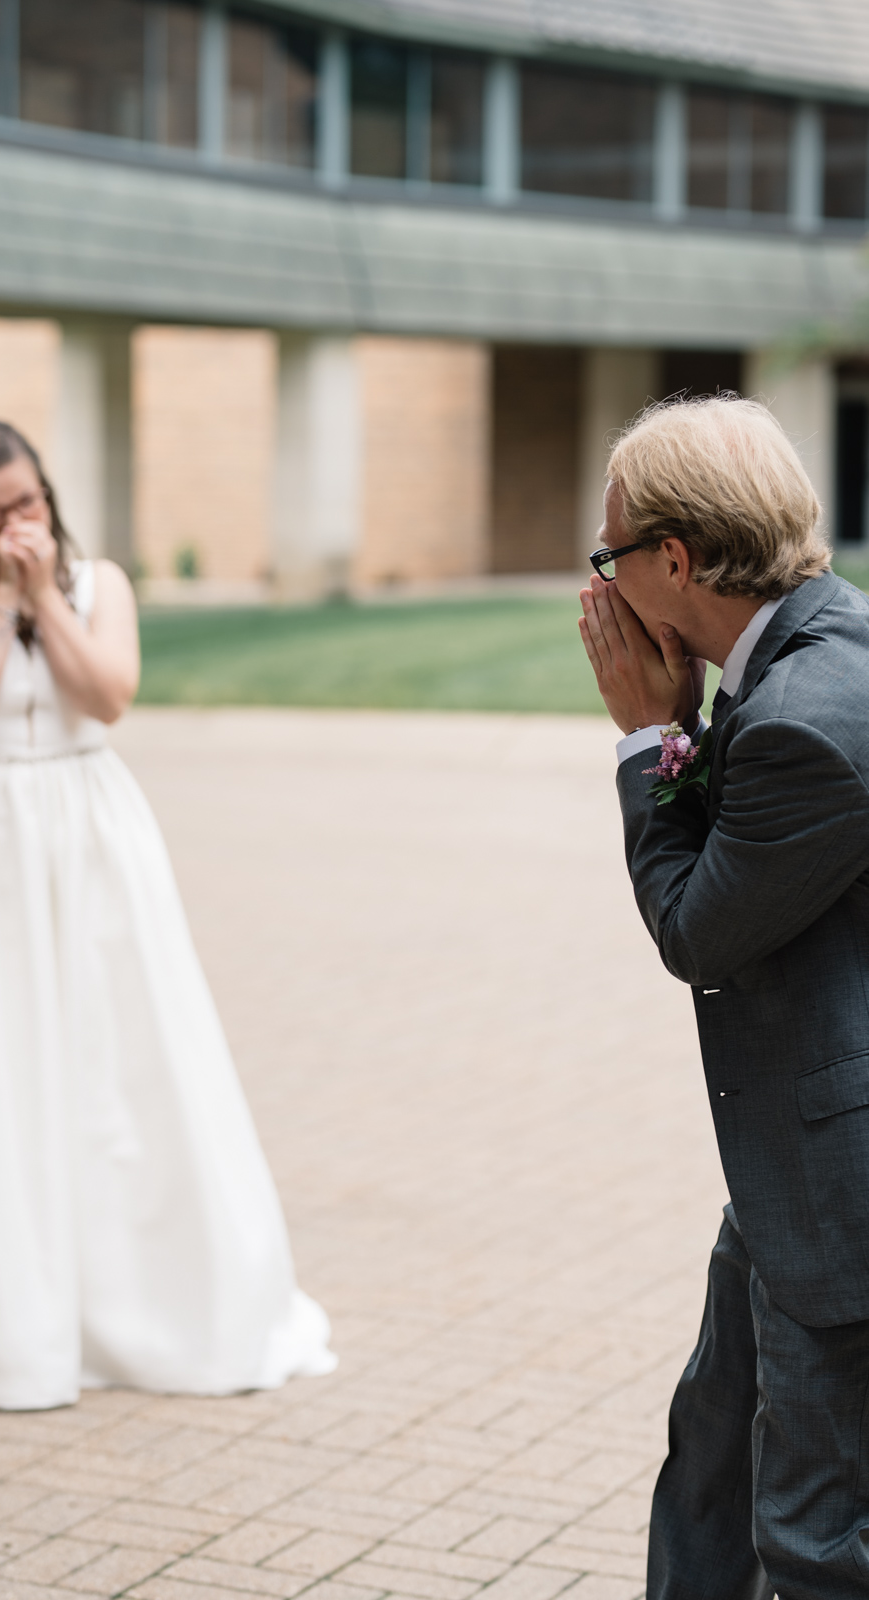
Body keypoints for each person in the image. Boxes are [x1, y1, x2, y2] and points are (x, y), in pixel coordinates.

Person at [0, 419, 335, 1411]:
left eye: (28, 503)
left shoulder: (103, 586)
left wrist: (48, 594)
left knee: (113, 1063)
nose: (15, 523)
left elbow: (110, 696)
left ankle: (125, 1300)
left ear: (50, 497)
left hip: (85, 836)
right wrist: (4, 601)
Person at [577, 395, 869, 1597]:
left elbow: (699, 927)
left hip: (838, 1188)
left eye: (611, 559)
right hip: (792, 1159)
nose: (601, 593)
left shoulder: (807, 715)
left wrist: (650, 739)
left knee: (811, 1538)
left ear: (676, 561)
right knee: (712, 1460)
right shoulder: (816, 649)